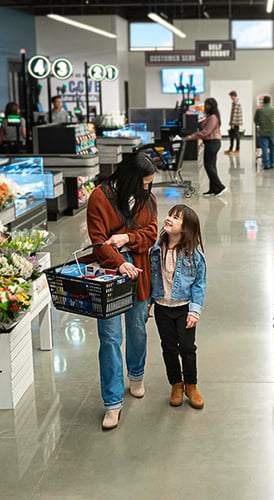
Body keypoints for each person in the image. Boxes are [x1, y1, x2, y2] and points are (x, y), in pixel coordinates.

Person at [85, 152, 158, 429]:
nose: (148, 189)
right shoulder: (99, 198)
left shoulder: (147, 200)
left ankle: (136, 375)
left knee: (138, 327)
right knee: (110, 336)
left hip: (139, 268)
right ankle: (112, 402)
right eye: (144, 183)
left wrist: (128, 237)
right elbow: (98, 242)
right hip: (107, 272)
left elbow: (151, 233)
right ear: (129, 180)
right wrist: (118, 263)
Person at [150, 204, 207, 409]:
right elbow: (151, 277)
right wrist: (148, 302)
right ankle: (176, 384)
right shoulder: (156, 249)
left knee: (187, 348)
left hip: (184, 308)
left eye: (176, 218)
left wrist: (195, 310)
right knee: (168, 347)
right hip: (161, 307)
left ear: (186, 228)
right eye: (170, 215)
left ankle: (191, 385)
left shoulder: (194, 255)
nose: (169, 219)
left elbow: (199, 283)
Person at [187, 98, 226, 197]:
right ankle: (213, 189)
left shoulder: (213, 117)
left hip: (213, 143)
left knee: (209, 166)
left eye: (206, 104)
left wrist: (192, 137)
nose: (205, 106)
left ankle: (220, 187)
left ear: (211, 106)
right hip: (210, 143)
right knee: (211, 166)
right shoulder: (209, 116)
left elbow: (206, 132)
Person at [254, 95, 274, 169]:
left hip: (263, 131)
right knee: (272, 147)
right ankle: (272, 163)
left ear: (263, 101)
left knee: (264, 148)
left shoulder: (259, 110)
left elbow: (255, 120)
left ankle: (266, 164)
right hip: (272, 131)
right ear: (270, 101)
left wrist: (259, 124)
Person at [225, 90, 243, 154]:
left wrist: (232, 123)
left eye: (231, 96)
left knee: (236, 135)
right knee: (232, 135)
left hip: (235, 122)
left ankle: (237, 149)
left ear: (233, 96)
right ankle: (231, 148)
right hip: (235, 122)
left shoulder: (236, 103)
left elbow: (235, 114)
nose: (230, 98)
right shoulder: (235, 102)